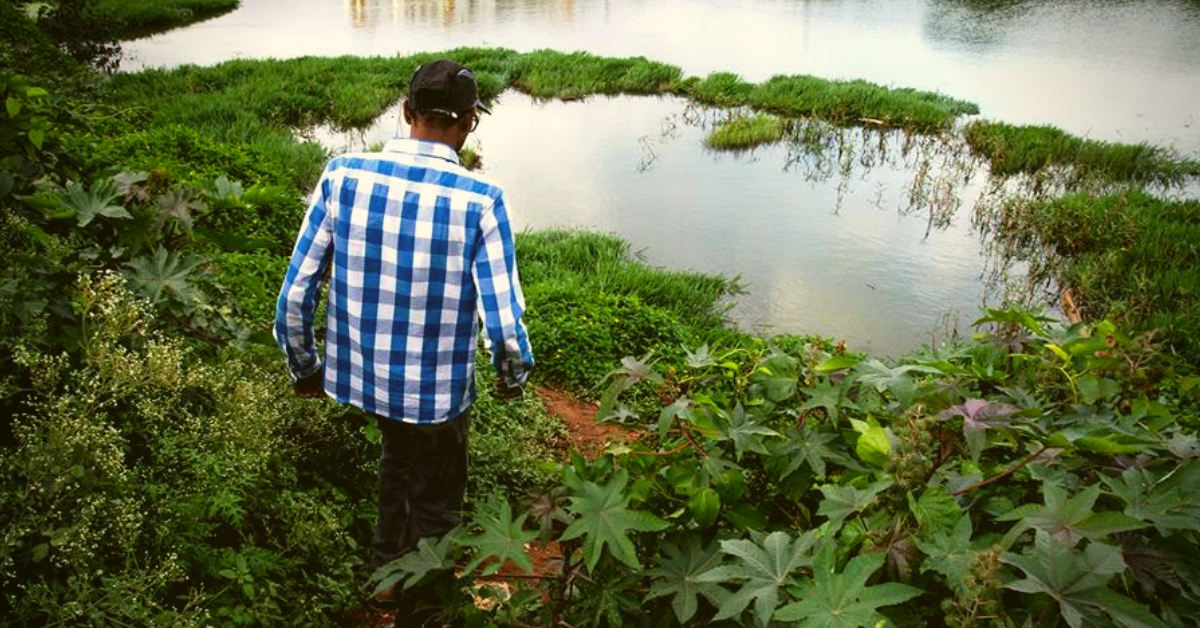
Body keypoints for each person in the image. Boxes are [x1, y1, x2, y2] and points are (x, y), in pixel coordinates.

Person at [273, 59, 534, 627]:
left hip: (367, 381)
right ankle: (425, 604)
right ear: (469, 123)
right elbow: (505, 324)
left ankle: (385, 580)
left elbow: (295, 296)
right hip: (438, 394)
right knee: (439, 493)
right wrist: (511, 377)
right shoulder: (482, 198)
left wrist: (305, 369)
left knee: (396, 459)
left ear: (406, 112)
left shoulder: (342, 176)